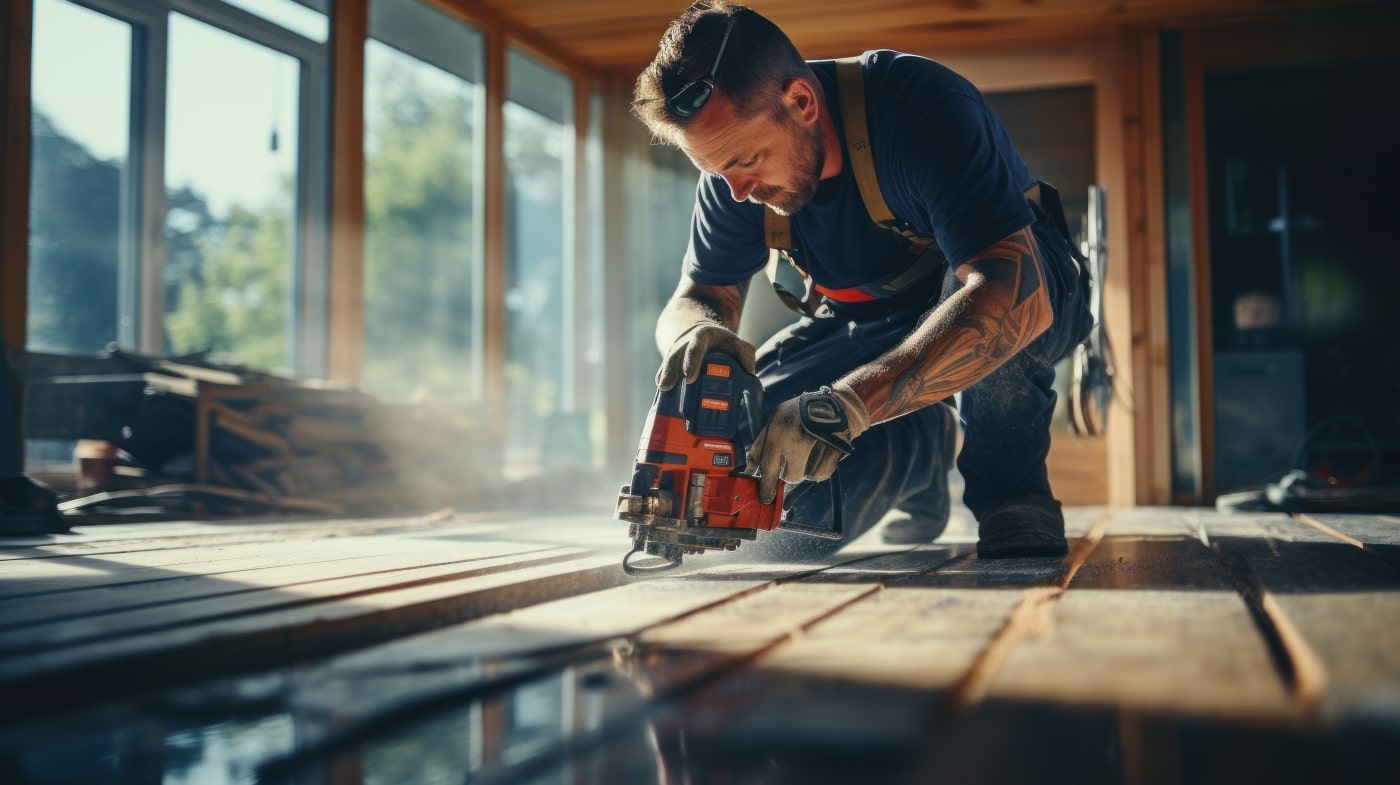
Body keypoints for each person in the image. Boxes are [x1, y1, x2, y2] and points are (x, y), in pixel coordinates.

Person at [632, 1, 1093, 560]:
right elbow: (701, 296)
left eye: (746, 162)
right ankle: (920, 447)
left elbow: (1011, 292)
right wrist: (695, 335)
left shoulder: (918, 107)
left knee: (987, 301)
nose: (738, 192)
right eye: (717, 172)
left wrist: (850, 403)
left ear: (801, 101)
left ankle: (1013, 496)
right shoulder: (733, 175)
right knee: (765, 509)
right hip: (869, 322)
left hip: (1025, 286)